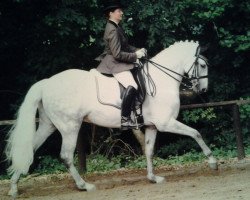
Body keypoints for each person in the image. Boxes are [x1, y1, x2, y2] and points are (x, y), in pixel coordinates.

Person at [96, 0, 146, 130]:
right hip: (114, 63)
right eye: (119, 11)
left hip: (118, 61)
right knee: (133, 85)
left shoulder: (116, 26)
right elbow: (117, 54)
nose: (122, 13)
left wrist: (137, 50)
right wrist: (136, 56)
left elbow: (125, 46)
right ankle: (125, 119)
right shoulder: (112, 29)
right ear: (111, 13)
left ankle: (137, 111)